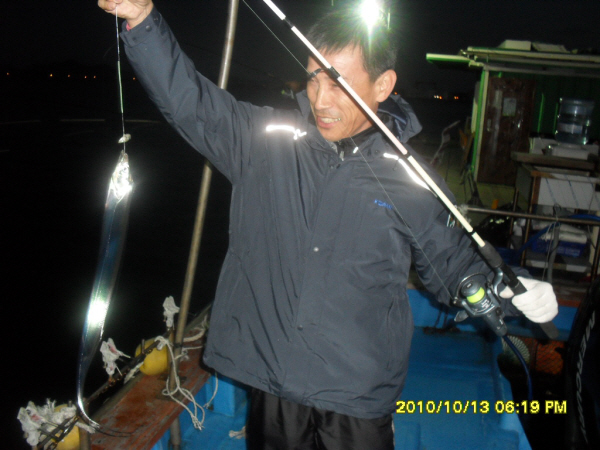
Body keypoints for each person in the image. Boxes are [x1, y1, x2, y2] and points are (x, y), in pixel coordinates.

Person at [98, 1, 558, 449]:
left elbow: (453, 263)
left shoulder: (411, 178)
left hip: (356, 392)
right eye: (314, 77)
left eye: (338, 83)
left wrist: (508, 290)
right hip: (274, 380)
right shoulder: (267, 141)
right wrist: (142, 21)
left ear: (383, 85)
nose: (320, 98)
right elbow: (190, 102)